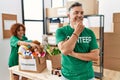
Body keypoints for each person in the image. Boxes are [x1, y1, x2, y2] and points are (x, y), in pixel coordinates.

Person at [56, 2, 99, 80]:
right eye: (76, 13)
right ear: (69, 15)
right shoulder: (61, 31)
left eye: (81, 13)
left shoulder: (90, 32)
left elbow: (95, 56)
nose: (80, 15)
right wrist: (77, 32)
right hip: (67, 76)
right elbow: (65, 50)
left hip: (88, 76)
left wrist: (73, 54)